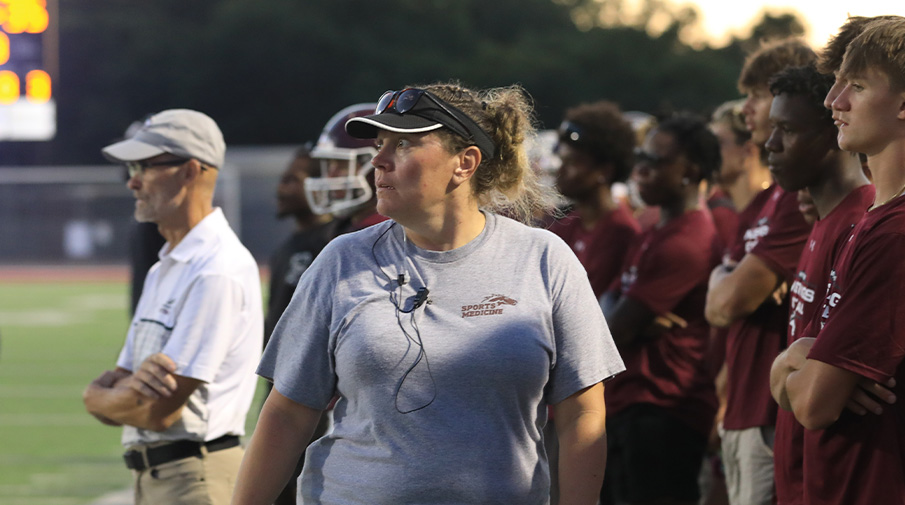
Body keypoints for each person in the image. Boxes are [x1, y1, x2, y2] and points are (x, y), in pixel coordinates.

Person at [231, 83, 625, 505]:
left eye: (402, 144)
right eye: (380, 143)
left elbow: (582, 414)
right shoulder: (341, 261)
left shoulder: (545, 260)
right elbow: (287, 413)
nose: (378, 160)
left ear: (465, 162)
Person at [81, 109, 263, 505]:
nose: (132, 181)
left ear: (189, 171)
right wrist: (115, 395)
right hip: (162, 477)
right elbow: (127, 385)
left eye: (145, 167)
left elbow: (158, 410)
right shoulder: (168, 265)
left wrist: (97, 396)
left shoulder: (216, 269)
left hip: (195, 478)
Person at [770, 18, 905, 505]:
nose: (834, 101)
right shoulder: (871, 220)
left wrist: (791, 362)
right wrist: (801, 355)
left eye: (858, 86)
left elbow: (813, 404)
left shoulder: (894, 233)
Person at [704, 38, 816, 505]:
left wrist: (725, 284)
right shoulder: (767, 199)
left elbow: (728, 301)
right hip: (744, 407)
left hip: (773, 409)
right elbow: (721, 300)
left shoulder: (794, 199)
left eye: (755, 95)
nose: (746, 109)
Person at [761, 64, 874, 505]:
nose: (771, 145)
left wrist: (788, 366)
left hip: (835, 480)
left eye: (787, 130)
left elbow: (824, 390)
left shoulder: (860, 224)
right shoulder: (824, 220)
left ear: (833, 135)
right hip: (800, 473)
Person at [599, 115, 721, 505]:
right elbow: (604, 309)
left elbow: (611, 332)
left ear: (691, 173)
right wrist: (627, 317)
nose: (640, 169)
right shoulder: (654, 231)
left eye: (655, 160)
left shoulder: (687, 241)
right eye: (639, 156)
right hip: (633, 405)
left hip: (664, 410)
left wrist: (623, 317)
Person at [265, 145, 336, 505]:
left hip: (315, 405)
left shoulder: (335, 246)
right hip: (282, 394)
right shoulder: (287, 247)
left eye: (293, 179)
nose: (282, 187)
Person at [548, 100, 641, 298]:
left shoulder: (621, 234)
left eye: (571, 162)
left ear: (605, 171)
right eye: (561, 160)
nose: (561, 170)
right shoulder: (567, 225)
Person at [304, 103, 389, 236]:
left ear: (377, 164)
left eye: (342, 165)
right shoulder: (346, 227)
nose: (330, 176)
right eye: (330, 165)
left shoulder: (383, 234)